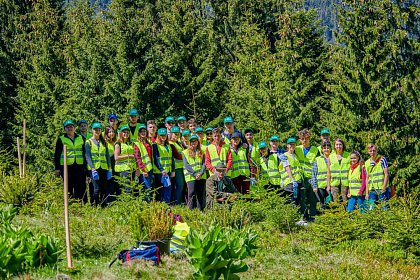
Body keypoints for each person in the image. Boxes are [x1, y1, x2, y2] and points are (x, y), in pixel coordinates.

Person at [54, 119, 87, 201]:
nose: (70, 128)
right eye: (68, 127)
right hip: (66, 166)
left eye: (71, 127)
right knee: (68, 186)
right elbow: (57, 154)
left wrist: (86, 166)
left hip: (79, 165)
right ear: (65, 129)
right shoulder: (61, 139)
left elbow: (84, 152)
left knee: (80, 186)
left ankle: (81, 203)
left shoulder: (80, 137)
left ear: (74, 128)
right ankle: (70, 204)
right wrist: (57, 168)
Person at [85, 122, 112, 206]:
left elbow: (107, 156)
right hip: (94, 168)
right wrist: (92, 168)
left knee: (104, 188)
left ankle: (103, 205)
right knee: (96, 188)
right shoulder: (88, 142)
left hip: (104, 168)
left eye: (99, 129)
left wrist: (110, 168)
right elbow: (87, 156)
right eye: (95, 129)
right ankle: (94, 205)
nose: (97, 131)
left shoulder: (104, 142)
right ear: (92, 130)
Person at [295, 128, 319, 221]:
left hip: (312, 178)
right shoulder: (297, 149)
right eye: (302, 138)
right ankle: (304, 217)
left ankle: (313, 217)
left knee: (312, 199)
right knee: (303, 199)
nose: (304, 140)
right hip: (301, 178)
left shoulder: (315, 150)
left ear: (309, 138)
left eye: (306, 138)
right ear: (300, 139)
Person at [182, 135, 207, 210]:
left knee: (200, 193)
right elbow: (186, 165)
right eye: (192, 141)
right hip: (191, 176)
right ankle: (190, 209)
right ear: (189, 142)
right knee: (191, 193)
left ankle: (200, 210)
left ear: (198, 142)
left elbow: (204, 163)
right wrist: (195, 174)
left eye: (195, 141)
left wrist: (201, 173)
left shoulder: (202, 152)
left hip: (201, 175)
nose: (194, 142)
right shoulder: (185, 152)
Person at [152, 128, 175, 203]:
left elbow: (171, 158)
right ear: (158, 136)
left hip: (167, 171)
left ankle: (166, 204)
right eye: (161, 135)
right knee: (160, 190)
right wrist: (161, 169)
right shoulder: (155, 145)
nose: (163, 137)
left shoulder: (168, 145)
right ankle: (160, 206)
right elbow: (155, 159)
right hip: (159, 172)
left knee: (168, 189)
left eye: (164, 135)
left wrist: (172, 170)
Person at [365, 143, 390, 209]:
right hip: (372, 189)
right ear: (368, 152)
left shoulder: (382, 159)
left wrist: (384, 187)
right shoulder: (367, 163)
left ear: (377, 151)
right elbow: (367, 178)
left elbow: (386, 174)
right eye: (370, 151)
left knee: (385, 208)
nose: (372, 152)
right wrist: (367, 193)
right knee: (371, 209)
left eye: (374, 150)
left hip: (382, 189)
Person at [114, 125, 136, 194]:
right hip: (123, 169)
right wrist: (129, 156)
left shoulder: (130, 143)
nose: (126, 134)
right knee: (127, 188)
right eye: (124, 132)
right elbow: (116, 157)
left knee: (132, 187)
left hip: (132, 169)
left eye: (127, 132)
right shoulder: (118, 144)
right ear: (121, 133)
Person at [133, 124, 154, 198]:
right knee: (146, 187)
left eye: (144, 131)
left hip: (150, 168)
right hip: (144, 169)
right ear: (138, 133)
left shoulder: (148, 142)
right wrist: (143, 170)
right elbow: (137, 158)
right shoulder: (137, 143)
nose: (143, 133)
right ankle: (147, 204)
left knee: (149, 186)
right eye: (141, 131)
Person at [312, 141, 333, 210]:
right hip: (320, 186)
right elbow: (314, 174)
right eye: (324, 148)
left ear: (331, 149)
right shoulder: (317, 159)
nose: (326, 149)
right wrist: (314, 186)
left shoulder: (334, 159)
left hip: (332, 185)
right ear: (322, 150)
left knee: (331, 205)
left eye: (328, 148)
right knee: (322, 204)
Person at [280, 137, 301, 205]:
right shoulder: (285, 155)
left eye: (293, 144)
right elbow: (287, 167)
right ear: (287, 145)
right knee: (290, 202)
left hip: (297, 182)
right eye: (290, 144)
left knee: (296, 202)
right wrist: (292, 179)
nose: (292, 146)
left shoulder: (295, 156)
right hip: (289, 183)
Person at [329, 138, 350, 203]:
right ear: (334, 146)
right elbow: (328, 172)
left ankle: (346, 213)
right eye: (337, 144)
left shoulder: (348, 155)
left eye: (340, 144)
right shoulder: (331, 156)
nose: (338, 146)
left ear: (343, 145)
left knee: (345, 199)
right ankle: (336, 213)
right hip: (334, 182)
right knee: (335, 200)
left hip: (345, 182)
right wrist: (328, 185)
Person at [169, 126, 186, 204]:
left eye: (178, 134)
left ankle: (180, 201)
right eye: (175, 134)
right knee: (180, 185)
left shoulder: (178, 142)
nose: (176, 136)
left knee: (181, 186)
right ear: (171, 134)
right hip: (176, 168)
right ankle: (177, 203)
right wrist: (187, 155)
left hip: (182, 167)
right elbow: (177, 156)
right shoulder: (171, 144)